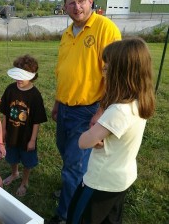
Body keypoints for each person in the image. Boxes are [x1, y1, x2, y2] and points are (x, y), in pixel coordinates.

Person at [66, 37, 156, 224]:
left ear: (120, 73)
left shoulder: (118, 111)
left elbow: (84, 142)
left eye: (106, 68)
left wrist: (91, 134)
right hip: (122, 179)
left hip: (100, 182)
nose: (103, 72)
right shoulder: (139, 102)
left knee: (78, 217)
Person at [49, 0, 121, 223]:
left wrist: (100, 111)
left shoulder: (105, 27)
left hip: (87, 110)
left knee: (74, 164)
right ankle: (74, 186)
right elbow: (64, 72)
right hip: (65, 108)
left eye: (81, 0)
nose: (76, 6)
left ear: (91, 1)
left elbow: (114, 73)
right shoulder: (67, 33)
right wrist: (58, 102)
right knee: (66, 153)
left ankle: (65, 215)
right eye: (70, 2)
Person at [0, 54, 47, 197]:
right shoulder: (10, 89)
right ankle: (15, 173)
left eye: (23, 76)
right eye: (16, 75)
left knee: (27, 160)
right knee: (12, 156)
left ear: (32, 76)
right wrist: (3, 130)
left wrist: (32, 140)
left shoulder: (35, 95)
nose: (18, 79)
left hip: (26, 137)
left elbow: (37, 120)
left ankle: (25, 181)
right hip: (12, 133)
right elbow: (5, 113)